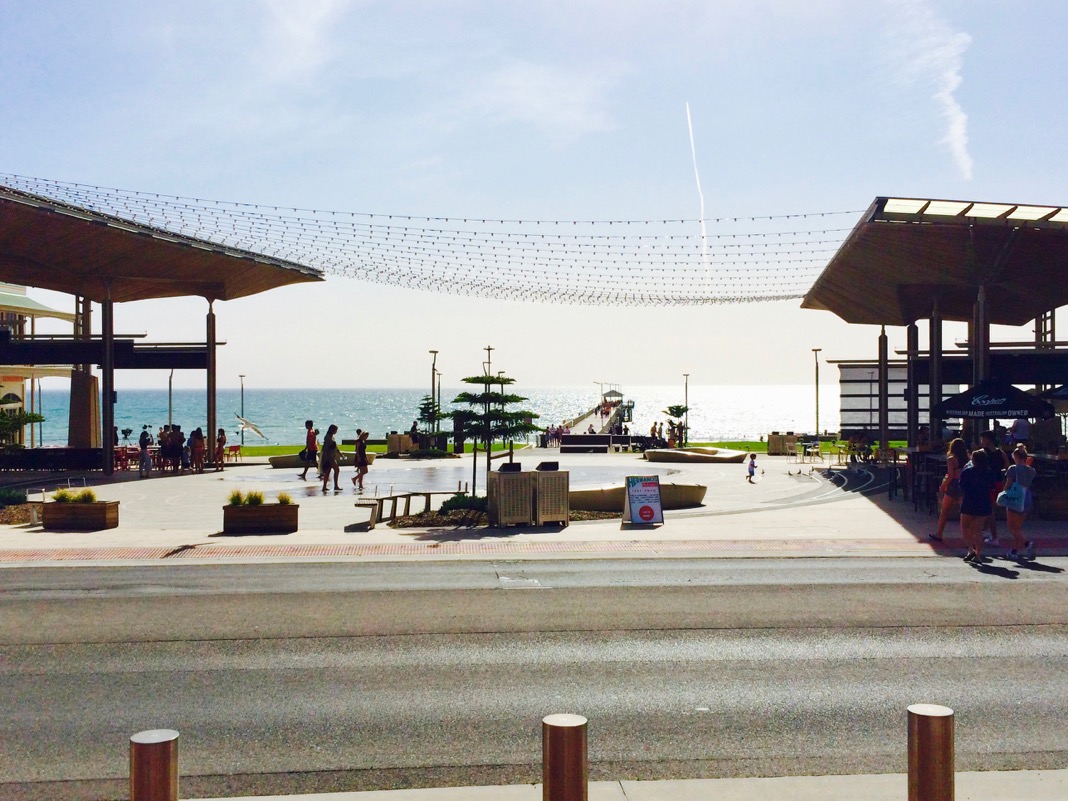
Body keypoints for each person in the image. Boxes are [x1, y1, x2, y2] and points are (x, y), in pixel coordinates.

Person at [959, 449, 996, 564]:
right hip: (983, 502)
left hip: (969, 501)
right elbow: (992, 487)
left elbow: (961, 486)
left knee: (965, 526)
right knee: (978, 530)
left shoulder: (967, 472)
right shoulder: (989, 472)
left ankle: (970, 549)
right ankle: (978, 554)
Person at [932, 438, 969, 541]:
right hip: (964, 484)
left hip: (953, 485)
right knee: (964, 512)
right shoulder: (968, 458)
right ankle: (967, 538)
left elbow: (950, 475)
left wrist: (943, 486)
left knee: (945, 511)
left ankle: (939, 533)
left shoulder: (951, 459)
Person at [1004, 445, 1037, 560]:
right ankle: (1015, 551)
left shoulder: (1013, 468)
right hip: (1026, 496)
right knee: (1018, 527)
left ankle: (1027, 543)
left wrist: (1003, 494)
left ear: (1016, 456)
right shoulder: (1031, 470)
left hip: (1015, 496)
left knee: (1011, 527)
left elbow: (1008, 484)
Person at [979, 430, 1010, 546]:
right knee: (991, 507)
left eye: (982, 439)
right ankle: (984, 531)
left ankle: (994, 536)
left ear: (988, 440)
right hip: (998, 482)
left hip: (986, 483)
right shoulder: (1001, 452)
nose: (981, 441)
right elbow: (1007, 466)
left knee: (989, 510)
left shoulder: (982, 453)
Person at [320, 424, 342, 491]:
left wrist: (340, 453)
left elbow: (335, 447)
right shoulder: (328, 437)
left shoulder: (331, 437)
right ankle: (334, 486)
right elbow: (326, 448)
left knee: (329, 471)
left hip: (332, 457)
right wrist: (326, 458)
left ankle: (326, 486)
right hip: (329, 457)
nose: (336, 431)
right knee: (334, 470)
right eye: (335, 430)